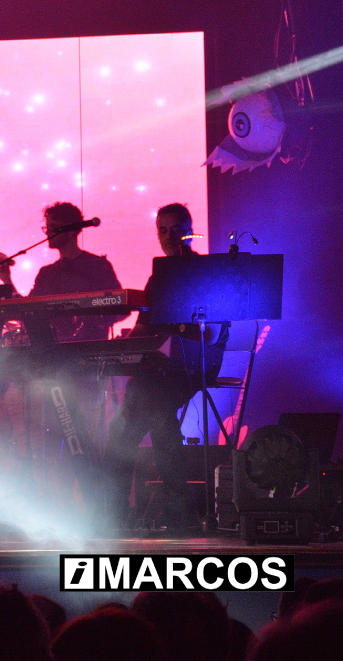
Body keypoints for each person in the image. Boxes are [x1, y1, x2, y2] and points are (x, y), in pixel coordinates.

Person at [102, 202, 228, 533]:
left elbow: (214, 333)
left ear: (190, 231)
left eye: (176, 229)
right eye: (162, 230)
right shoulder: (157, 276)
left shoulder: (206, 272)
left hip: (193, 366)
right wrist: (115, 350)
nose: (169, 236)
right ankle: (174, 516)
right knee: (133, 422)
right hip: (158, 372)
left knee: (140, 417)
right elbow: (143, 328)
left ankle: (120, 517)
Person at [27, 202, 122, 342]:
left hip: (90, 348)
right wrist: (7, 279)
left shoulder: (97, 265)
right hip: (54, 350)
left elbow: (121, 307)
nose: (47, 232)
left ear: (71, 230)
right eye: (47, 228)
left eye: (52, 227)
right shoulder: (46, 273)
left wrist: (94, 320)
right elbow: (26, 310)